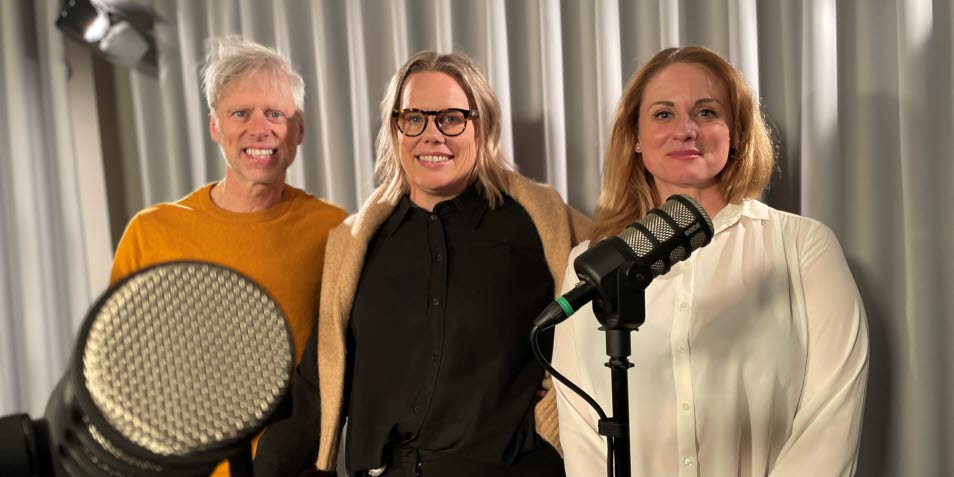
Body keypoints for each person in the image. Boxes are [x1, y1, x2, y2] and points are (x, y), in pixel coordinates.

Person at [256, 50, 591, 477]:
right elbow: (316, 385)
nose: (432, 135)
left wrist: (557, 405)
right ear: (395, 129)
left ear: (482, 125)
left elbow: (628, 304)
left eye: (451, 118)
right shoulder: (356, 246)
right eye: (413, 118)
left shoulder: (541, 225)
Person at [552, 46, 869, 476]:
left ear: (736, 133)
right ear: (635, 139)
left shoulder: (803, 248)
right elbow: (582, 432)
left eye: (706, 112)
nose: (686, 130)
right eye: (663, 114)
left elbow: (829, 423)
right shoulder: (590, 265)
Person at [110, 36, 347, 477]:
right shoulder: (152, 232)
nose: (260, 129)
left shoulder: (335, 231)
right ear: (215, 127)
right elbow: (118, 374)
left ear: (298, 131)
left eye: (275, 114)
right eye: (241, 113)